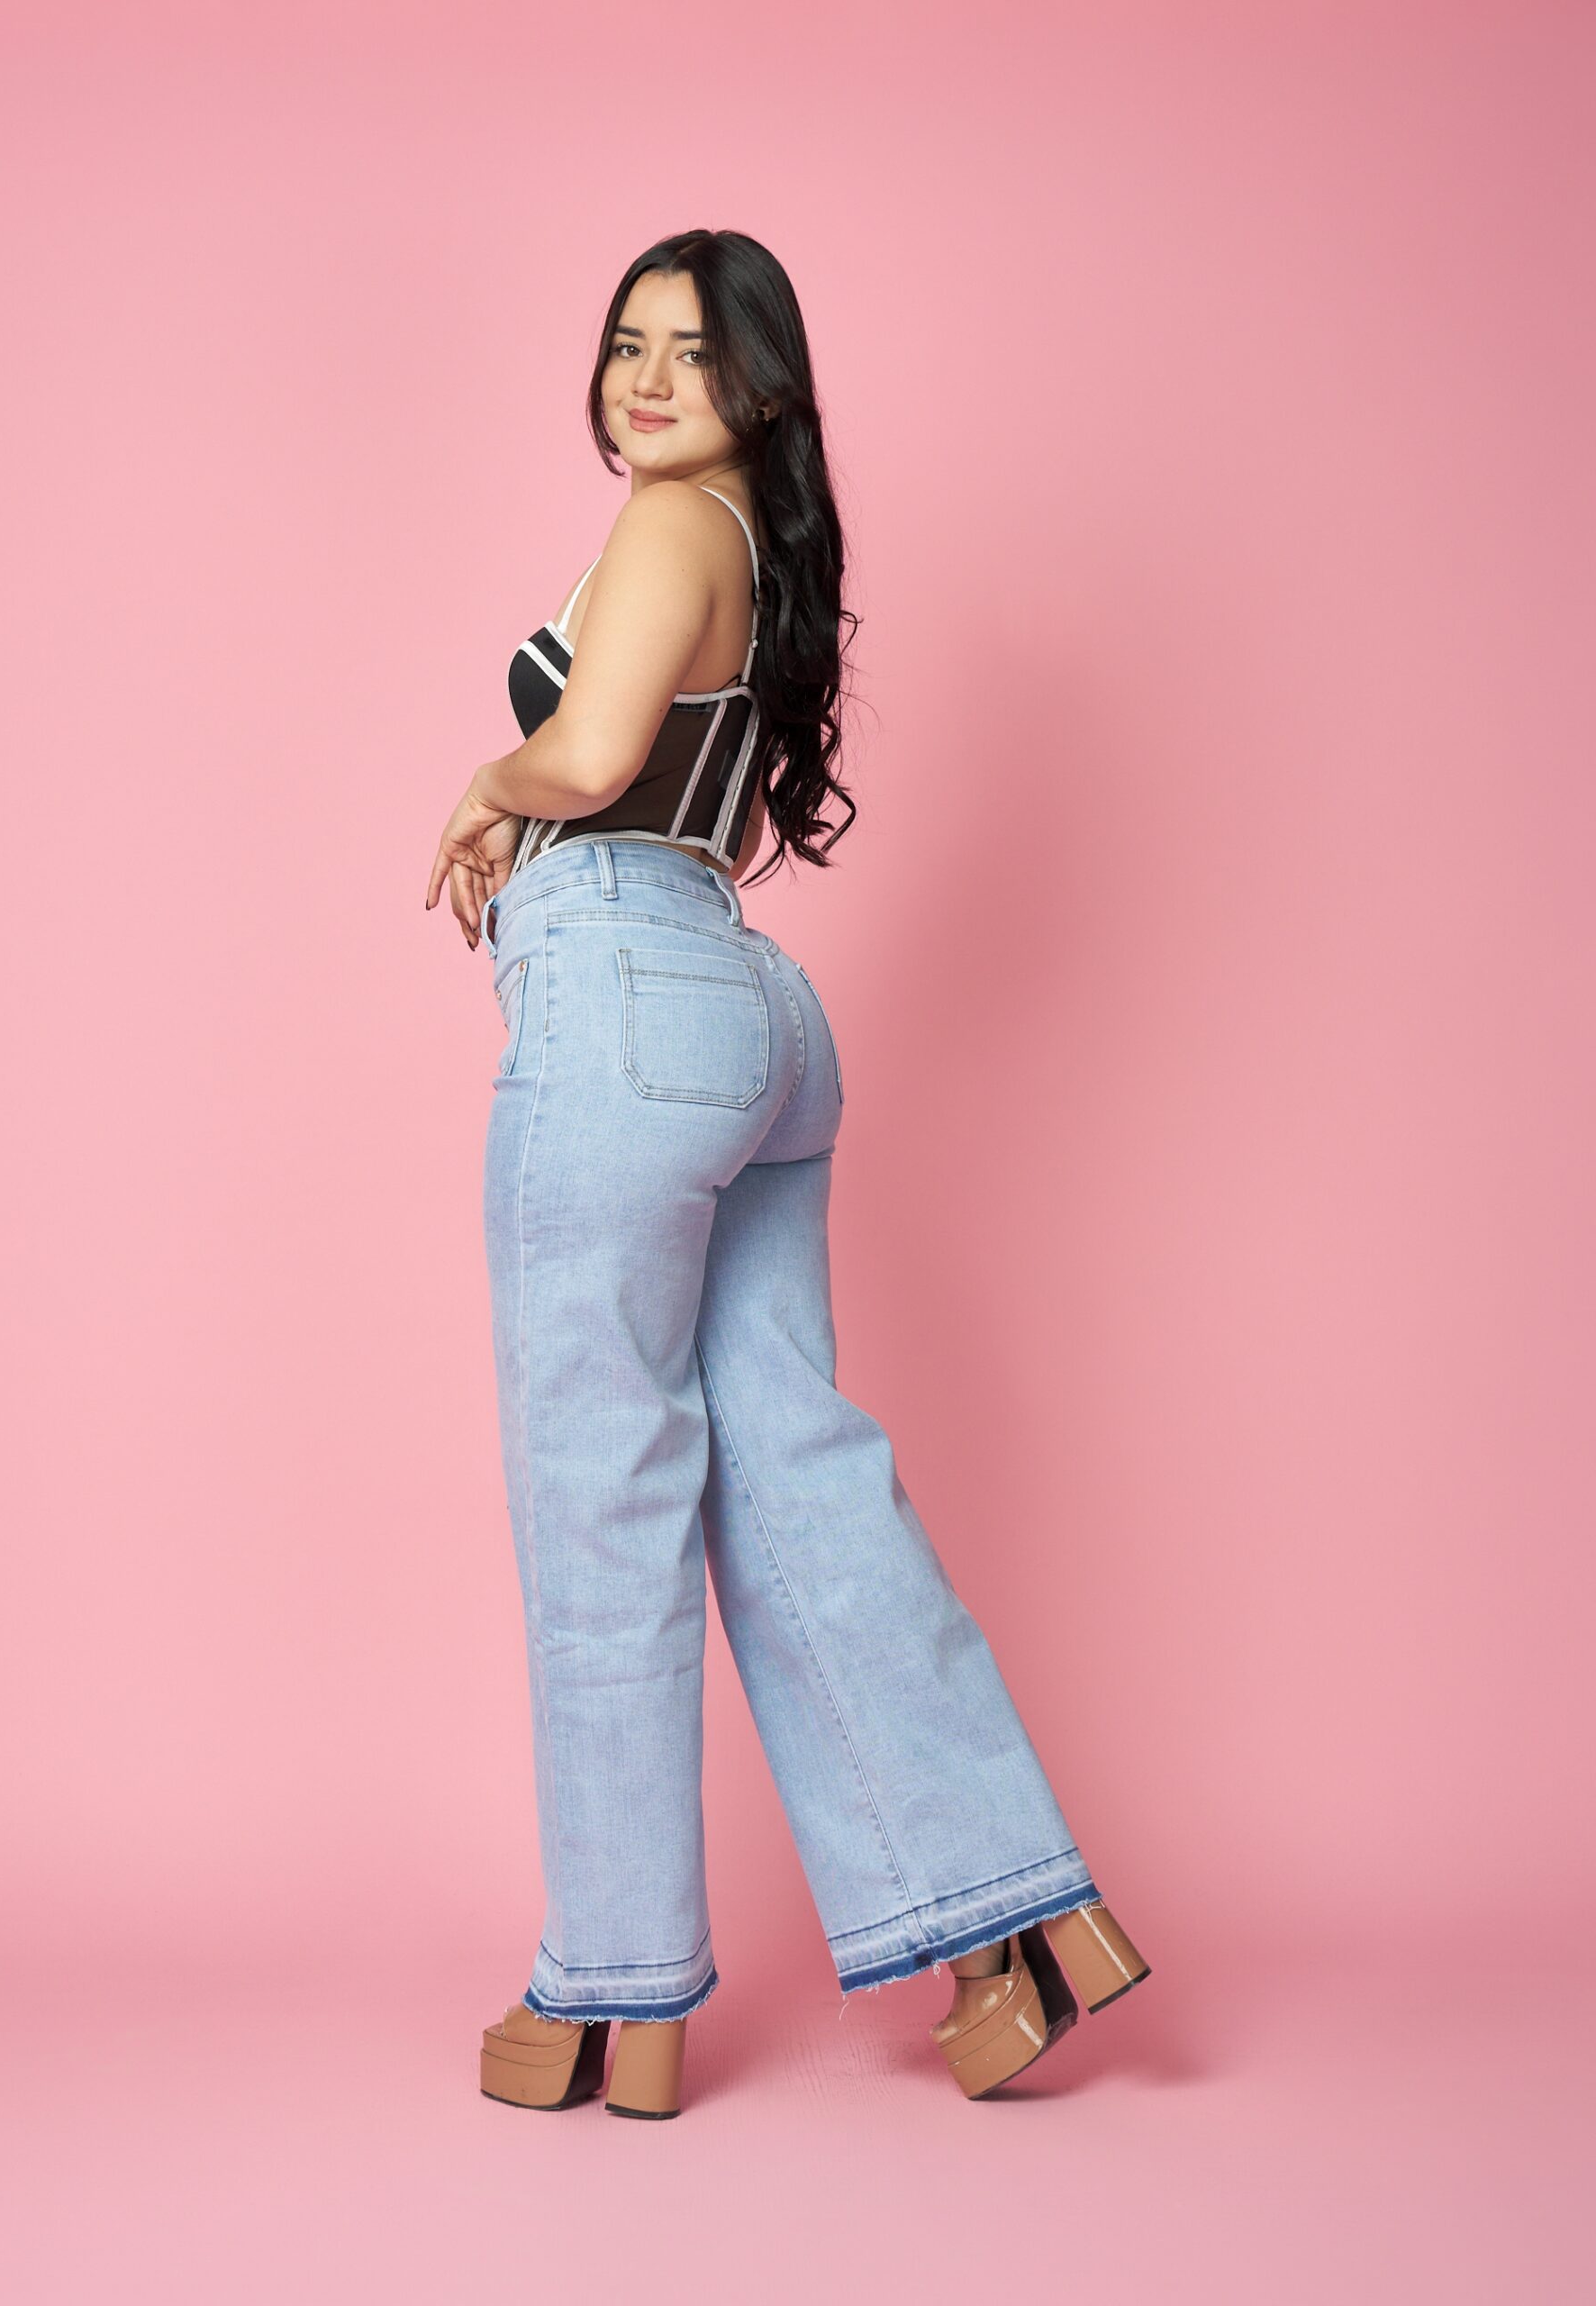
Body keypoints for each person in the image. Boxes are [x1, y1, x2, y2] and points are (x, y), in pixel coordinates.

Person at [424, 230, 1148, 2120]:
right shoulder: (763, 547)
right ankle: (1016, 1914)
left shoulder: (673, 523)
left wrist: (486, 789)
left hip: (629, 1001)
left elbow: (592, 749)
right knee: (792, 1473)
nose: (648, 380)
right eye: (625, 344)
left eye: (691, 350)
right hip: (747, 1009)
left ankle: (615, 1990)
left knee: (600, 1489)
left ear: (758, 384)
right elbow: (679, 786)